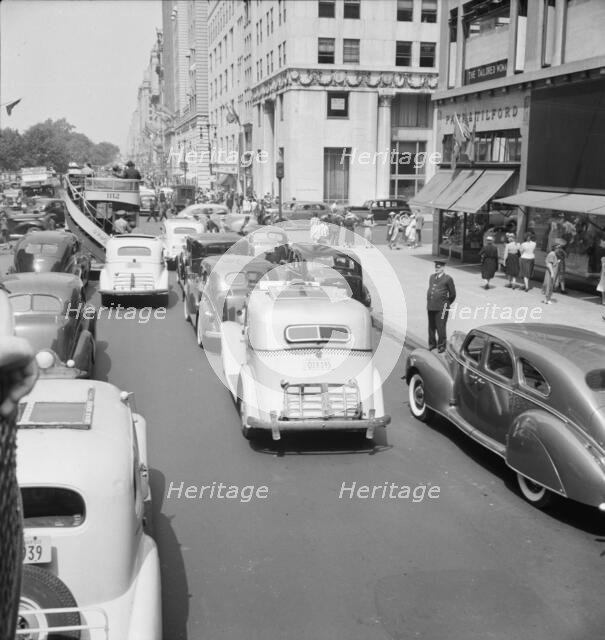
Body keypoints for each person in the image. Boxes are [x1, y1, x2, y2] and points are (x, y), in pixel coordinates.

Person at [427, 260, 456, 353]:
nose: (437, 268)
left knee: (441, 327)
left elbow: (453, 294)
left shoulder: (448, 278)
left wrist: (446, 303)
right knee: (431, 327)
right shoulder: (432, 277)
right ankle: (432, 344)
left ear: (443, 268)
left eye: (439, 267)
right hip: (431, 306)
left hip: (442, 308)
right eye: (436, 267)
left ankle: (441, 345)